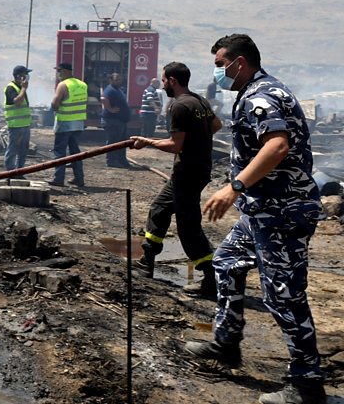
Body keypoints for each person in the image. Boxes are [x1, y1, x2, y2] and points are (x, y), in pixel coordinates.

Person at [184, 34, 325, 404]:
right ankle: (226, 342)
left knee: (283, 294)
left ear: (239, 63)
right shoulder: (259, 92)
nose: (218, 74)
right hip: (262, 210)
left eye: (220, 66)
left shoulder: (260, 98)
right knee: (227, 262)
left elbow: (277, 145)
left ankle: (307, 385)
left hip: (282, 212)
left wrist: (234, 187)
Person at [129, 62, 221, 297]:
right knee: (159, 209)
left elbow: (175, 145)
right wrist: (198, 140)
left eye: (163, 80)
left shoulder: (178, 106)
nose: (162, 84)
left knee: (188, 227)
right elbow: (216, 125)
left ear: (172, 80)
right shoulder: (199, 101)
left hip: (188, 172)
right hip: (195, 170)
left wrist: (146, 141)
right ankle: (147, 260)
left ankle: (211, 278)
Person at [49, 62, 87, 187]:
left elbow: (55, 103)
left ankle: (58, 179)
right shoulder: (82, 84)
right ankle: (79, 178)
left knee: (60, 152)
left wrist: (55, 108)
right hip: (78, 124)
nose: (58, 74)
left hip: (64, 123)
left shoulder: (63, 85)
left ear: (65, 71)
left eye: (59, 71)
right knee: (75, 152)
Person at [3, 65, 33, 171]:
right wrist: (24, 88)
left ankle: (19, 171)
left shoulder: (20, 88)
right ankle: (10, 172)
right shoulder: (11, 88)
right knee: (12, 150)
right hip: (15, 126)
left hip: (24, 125)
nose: (27, 77)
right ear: (19, 76)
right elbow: (17, 102)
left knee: (23, 150)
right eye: (26, 75)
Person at [100, 72, 131, 167]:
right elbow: (103, 98)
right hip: (112, 121)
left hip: (120, 121)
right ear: (111, 80)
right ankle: (111, 161)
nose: (118, 81)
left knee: (122, 142)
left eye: (119, 79)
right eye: (116, 80)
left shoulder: (118, 89)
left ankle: (122, 160)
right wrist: (110, 109)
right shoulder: (110, 89)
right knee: (113, 142)